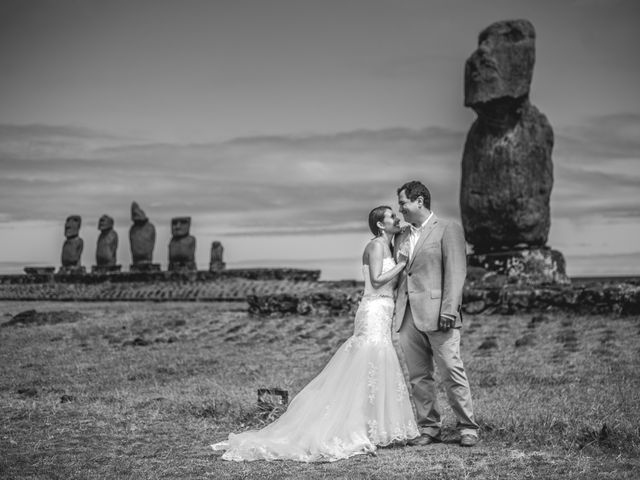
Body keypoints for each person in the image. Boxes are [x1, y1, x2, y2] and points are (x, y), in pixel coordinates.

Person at [211, 206, 419, 462]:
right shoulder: (376, 246)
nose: (396, 218)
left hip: (384, 309)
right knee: (367, 359)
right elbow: (376, 281)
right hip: (373, 309)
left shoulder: (389, 245)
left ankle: (374, 425)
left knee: (377, 364)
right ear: (379, 225)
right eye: (391, 216)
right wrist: (400, 264)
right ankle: (351, 424)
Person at [393, 180, 479, 447]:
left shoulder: (447, 229)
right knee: (419, 376)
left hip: (440, 314)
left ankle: (468, 427)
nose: (401, 209)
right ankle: (429, 427)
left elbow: (456, 271)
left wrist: (449, 309)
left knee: (452, 371)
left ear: (419, 201)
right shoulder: (401, 236)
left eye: (403, 203)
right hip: (407, 315)